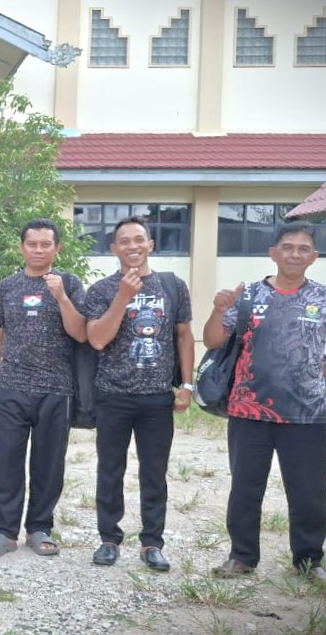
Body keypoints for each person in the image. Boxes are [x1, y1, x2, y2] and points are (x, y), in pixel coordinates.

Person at [203, 221, 326, 582]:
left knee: (308, 491)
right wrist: (218, 310)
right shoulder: (247, 297)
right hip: (248, 410)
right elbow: (213, 341)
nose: (295, 253)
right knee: (245, 487)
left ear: (314, 257)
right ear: (273, 253)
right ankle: (242, 556)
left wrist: (320, 373)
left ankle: (308, 560)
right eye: (287, 247)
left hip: (306, 414)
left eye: (303, 248)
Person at [83, 215, 194, 572]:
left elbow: (183, 336)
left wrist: (187, 385)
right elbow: (97, 338)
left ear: (150, 245)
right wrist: (123, 297)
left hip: (157, 397)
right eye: (124, 241)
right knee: (110, 470)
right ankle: (109, 539)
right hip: (112, 394)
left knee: (154, 472)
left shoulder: (173, 286)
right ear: (114, 249)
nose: (132, 246)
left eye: (138, 239)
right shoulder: (101, 290)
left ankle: (152, 543)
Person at [0, 219, 87, 559]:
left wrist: (61, 297)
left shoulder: (69, 283)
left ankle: (40, 527)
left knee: (48, 463)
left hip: (57, 389)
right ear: (22, 247)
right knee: (5, 459)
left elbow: (81, 333)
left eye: (46, 244)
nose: (39, 250)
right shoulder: (6, 287)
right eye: (32, 244)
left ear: (57, 248)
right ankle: (4, 530)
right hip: (11, 387)